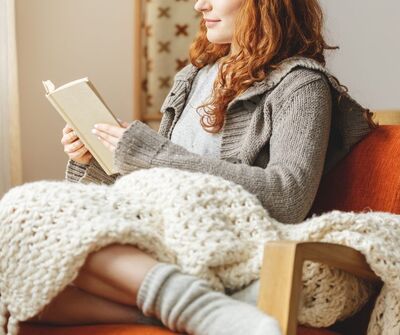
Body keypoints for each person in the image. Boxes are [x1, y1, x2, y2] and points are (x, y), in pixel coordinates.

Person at [28, 0, 376, 334]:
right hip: (163, 229)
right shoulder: (193, 77)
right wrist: (93, 160)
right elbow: (160, 180)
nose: (199, 5)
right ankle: (201, 312)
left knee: (32, 220)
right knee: (29, 288)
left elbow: (289, 197)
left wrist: (150, 153)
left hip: (222, 243)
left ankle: (193, 304)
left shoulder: (301, 85)